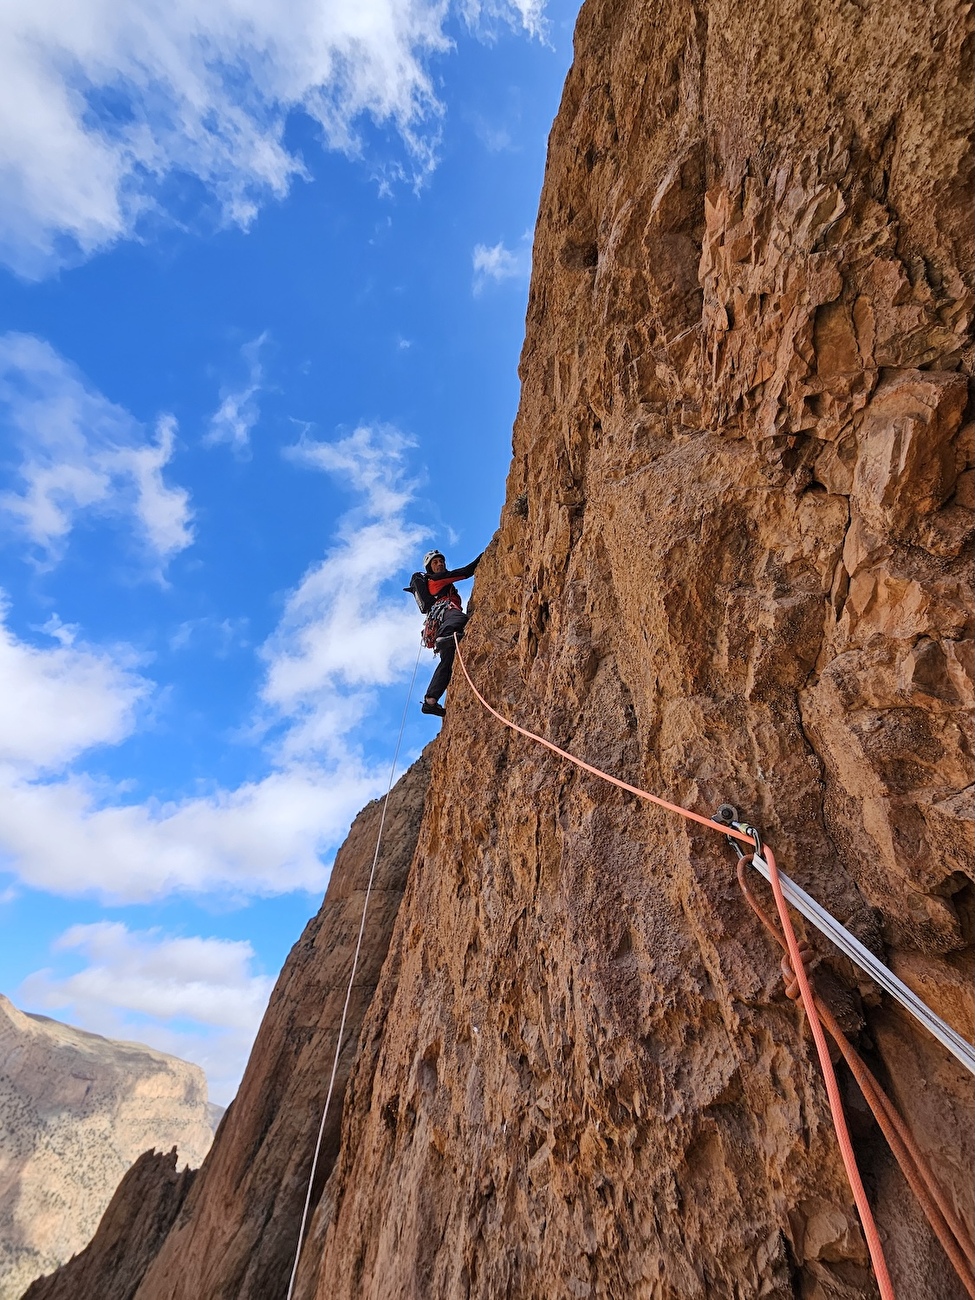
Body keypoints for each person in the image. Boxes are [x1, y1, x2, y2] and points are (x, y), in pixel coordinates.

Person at [417, 548, 482, 717]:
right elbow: (465, 572)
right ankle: (445, 636)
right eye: (435, 562)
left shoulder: (436, 582)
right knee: (459, 618)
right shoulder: (435, 579)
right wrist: (486, 554)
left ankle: (430, 700)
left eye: (441, 561)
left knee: (447, 662)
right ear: (429, 568)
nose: (440, 564)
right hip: (446, 614)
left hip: (439, 622)